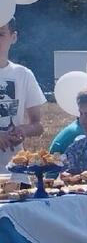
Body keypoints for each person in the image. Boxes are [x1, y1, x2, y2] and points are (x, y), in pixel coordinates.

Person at [0, 17, 45, 167]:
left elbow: (38, 125)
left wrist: (23, 130)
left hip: (15, 172)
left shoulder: (23, 74)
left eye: (0, 34)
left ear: (13, 37)